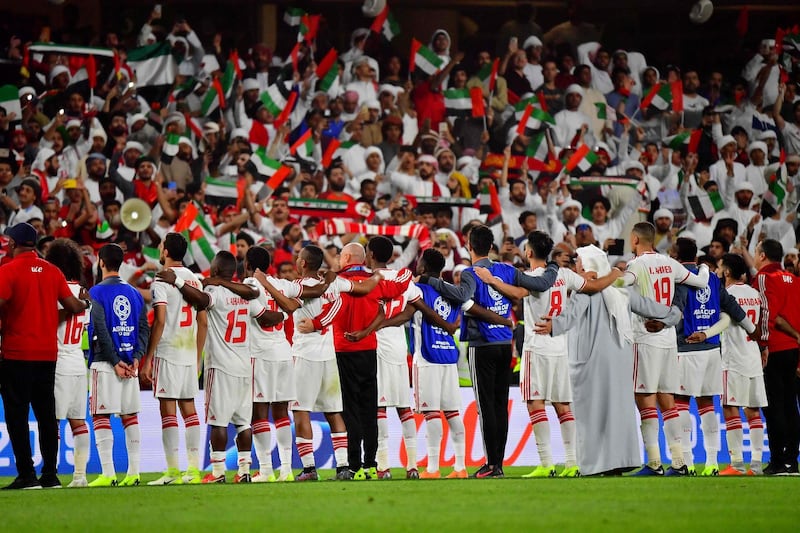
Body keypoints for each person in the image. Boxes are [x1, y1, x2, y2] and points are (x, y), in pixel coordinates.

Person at [474, 231, 625, 477]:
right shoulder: (565, 275)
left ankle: (546, 464)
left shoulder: (531, 277)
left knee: (536, 405)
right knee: (563, 407)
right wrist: (615, 273)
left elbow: (516, 294)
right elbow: (595, 286)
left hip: (537, 347)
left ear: (529, 252)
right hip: (560, 348)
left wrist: (490, 279)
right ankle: (572, 463)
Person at [417, 225, 558, 478]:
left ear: (469, 246)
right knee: (500, 405)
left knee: (486, 407)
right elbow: (542, 282)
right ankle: (498, 464)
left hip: (482, 345)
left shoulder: (471, 273)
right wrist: (555, 266)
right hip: (505, 344)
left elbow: (461, 295)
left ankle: (491, 465)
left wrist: (431, 281)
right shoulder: (506, 269)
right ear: (491, 246)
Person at [534, 245, 684, 476]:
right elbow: (654, 308)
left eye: (579, 262)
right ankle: (620, 461)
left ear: (589, 265)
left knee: (591, 414)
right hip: (621, 357)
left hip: (589, 359)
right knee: (617, 411)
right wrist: (672, 317)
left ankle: (595, 466)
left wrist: (554, 325)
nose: (576, 266)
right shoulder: (622, 292)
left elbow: (571, 315)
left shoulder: (586, 291)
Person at [156, 251, 283, 483]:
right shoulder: (245, 296)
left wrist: (178, 281)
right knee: (244, 422)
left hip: (221, 366)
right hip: (245, 366)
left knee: (218, 421)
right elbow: (266, 316)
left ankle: (217, 472)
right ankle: (244, 470)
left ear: (214, 271)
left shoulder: (214, 291)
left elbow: (202, 301)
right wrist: (284, 314)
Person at [298, 242, 410, 480]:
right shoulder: (376, 282)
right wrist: (407, 271)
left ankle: (354, 466)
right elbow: (400, 287)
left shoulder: (337, 282)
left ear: (347, 257)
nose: (337, 259)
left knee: (350, 410)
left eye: (340, 255)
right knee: (370, 409)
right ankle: (371, 465)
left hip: (341, 351)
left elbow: (332, 308)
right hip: (368, 350)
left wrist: (316, 324)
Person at [0, 224, 90, 490]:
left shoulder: (7, 271)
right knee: (46, 415)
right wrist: (85, 303)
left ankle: (27, 475)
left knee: (17, 416)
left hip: (17, 353)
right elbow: (73, 306)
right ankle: (50, 475)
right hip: (48, 355)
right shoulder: (52, 272)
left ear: (14, 244)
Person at [623, 223, 710, 476]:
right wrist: (703, 265)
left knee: (645, 400)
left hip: (644, 338)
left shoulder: (636, 265)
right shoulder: (670, 264)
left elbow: (622, 284)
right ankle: (680, 462)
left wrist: (606, 278)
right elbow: (701, 282)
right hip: (669, 339)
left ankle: (653, 463)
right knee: (667, 402)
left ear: (635, 238)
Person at [672, 238, 754, 476]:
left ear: (676, 255)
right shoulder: (713, 279)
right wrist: (753, 330)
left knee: (681, 403)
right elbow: (732, 307)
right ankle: (711, 463)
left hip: (686, 348)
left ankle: (686, 462)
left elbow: (675, 312)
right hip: (711, 350)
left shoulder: (679, 278)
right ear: (696, 257)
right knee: (708, 405)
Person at [141, 233, 206, 486]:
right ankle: (193, 471)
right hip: (189, 353)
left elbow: (160, 320)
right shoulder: (195, 281)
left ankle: (172, 472)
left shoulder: (161, 281)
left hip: (168, 351)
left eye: (160, 247)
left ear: (166, 252)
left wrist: (148, 359)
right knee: (189, 410)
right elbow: (203, 321)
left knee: (167, 410)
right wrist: (198, 356)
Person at [87, 243, 150, 487]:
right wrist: (136, 357)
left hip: (106, 364)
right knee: (130, 416)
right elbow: (144, 327)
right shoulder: (134, 293)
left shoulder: (96, 292)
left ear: (101, 262)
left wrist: (115, 362)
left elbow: (101, 330)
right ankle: (134, 473)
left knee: (100, 415)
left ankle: (108, 474)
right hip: (130, 365)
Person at [241, 246, 301, 482]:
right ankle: (286, 469)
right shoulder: (282, 284)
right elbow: (297, 300)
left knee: (259, 414)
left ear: (247, 264)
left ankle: (266, 469)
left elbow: (265, 320)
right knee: (282, 413)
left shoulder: (249, 285)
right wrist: (287, 313)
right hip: (283, 352)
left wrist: (283, 315)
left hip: (260, 354)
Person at [45, 239, 91, 488]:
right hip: (77, 362)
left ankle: (50, 474)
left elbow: (51, 320)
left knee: (53, 422)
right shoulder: (85, 294)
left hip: (59, 362)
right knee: (78, 422)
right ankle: (80, 476)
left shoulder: (55, 290)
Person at [751, 239, 800, 475]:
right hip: (794, 349)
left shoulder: (764, 278)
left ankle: (778, 461)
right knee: (791, 405)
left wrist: (763, 345)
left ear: (761, 256)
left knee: (774, 406)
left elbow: (767, 312)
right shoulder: (794, 281)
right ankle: (792, 461)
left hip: (774, 349)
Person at [716, 253, 768, 475]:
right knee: (753, 411)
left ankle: (736, 463)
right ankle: (756, 464)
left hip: (733, 358)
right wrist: (764, 347)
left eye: (720, 268)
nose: (718, 272)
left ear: (727, 272)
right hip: (753, 357)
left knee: (730, 409)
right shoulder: (755, 293)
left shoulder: (726, 295)